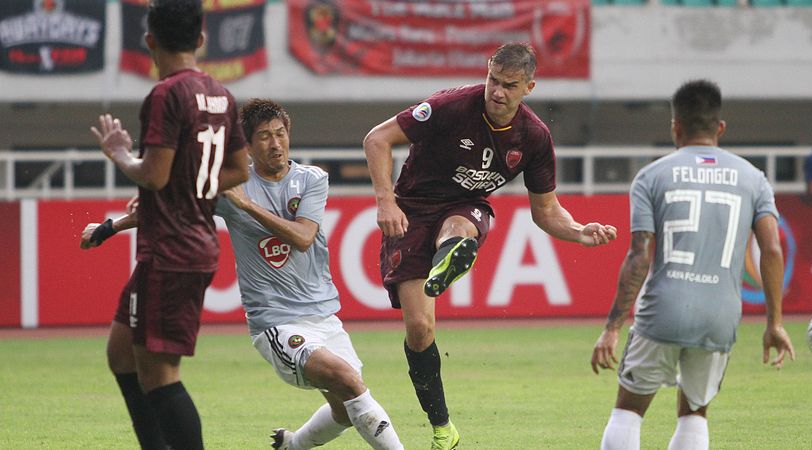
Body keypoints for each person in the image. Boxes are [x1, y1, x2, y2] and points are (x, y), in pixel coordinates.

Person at [363, 42, 618, 449]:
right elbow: (377, 139)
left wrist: (579, 231)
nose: (497, 92)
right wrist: (385, 200)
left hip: (466, 206)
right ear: (486, 72)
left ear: (529, 87)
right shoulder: (451, 107)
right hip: (411, 209)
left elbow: (547, 212)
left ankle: (451, 256)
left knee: (461, 226)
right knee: (420, 327)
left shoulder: (534, 137)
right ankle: (443, 426)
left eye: (509, 85)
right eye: (493, 80)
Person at [590, 79, 795, 450]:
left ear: (675, 127)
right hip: (719, 315)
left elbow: (639, 255)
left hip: (663, 310)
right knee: (695, 413)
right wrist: (774, 323)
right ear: (720, 128)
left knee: (629, 410)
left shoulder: (651, 176)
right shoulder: (753, 178)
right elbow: (772, 250)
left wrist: (612, 327)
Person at [81, 1, 249, 448]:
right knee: (121, 354)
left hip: (171, 251)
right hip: (186, 244)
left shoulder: (165, 94)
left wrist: (120, 154)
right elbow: (238, 169)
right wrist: (183, 184)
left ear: (150, 41)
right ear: (201, 40)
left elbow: (152, 173)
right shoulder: (221, 94)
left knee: (160, 373)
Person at [216, 99, 403, 450]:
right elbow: (177, 205)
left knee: (346, 410)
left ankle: (293, 445)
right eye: (264, 137)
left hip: (324, 316)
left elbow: (303, 237)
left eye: (280, 133)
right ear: (248, 145)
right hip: (277, 322)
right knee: (348, 380)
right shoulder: (230, 187)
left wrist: (247, 205)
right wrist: (114, 224)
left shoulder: (310, 179)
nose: (275, 144)